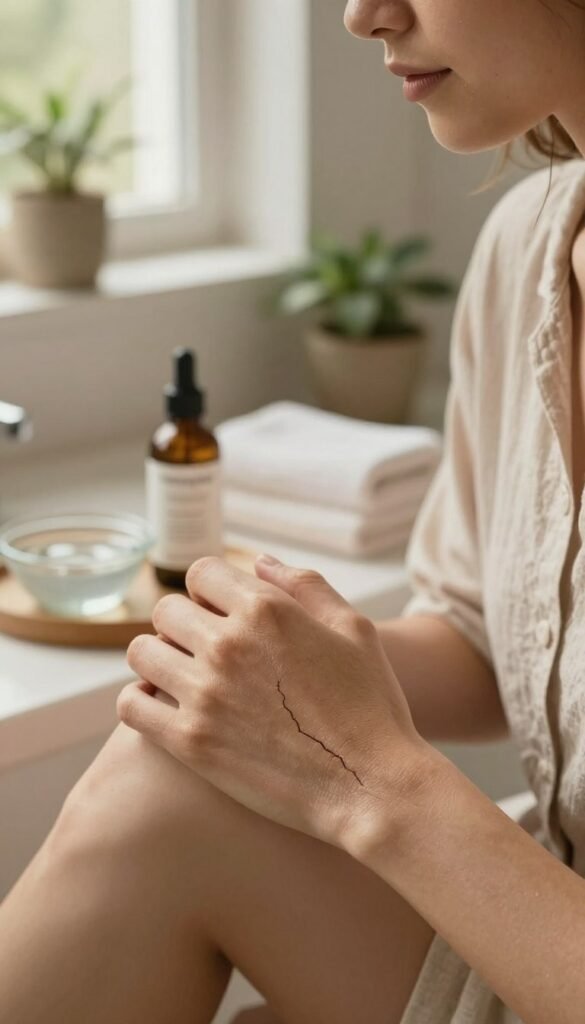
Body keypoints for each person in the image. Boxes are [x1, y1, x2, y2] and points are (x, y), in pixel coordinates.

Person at [2, 0, 585, 1019]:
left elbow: (389, 767)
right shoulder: (528, 246)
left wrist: (374, 777)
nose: (363, 16)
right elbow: (491, 642)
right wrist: (262, 666)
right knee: (177, 768)